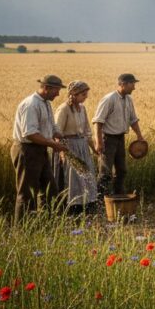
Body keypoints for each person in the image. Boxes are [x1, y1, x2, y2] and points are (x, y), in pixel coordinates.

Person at [11, 75, 69, 221]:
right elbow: (30, 133)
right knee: (27, 194)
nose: (58, 94)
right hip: (27, 150)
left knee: (50, 190)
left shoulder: (46, 103)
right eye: (56, 90)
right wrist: (53, 144)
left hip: (40, 149)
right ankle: (22, 230)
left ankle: (46, 224)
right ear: (46, 88)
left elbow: (51, 126)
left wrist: (58, 135)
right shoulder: (31, 104)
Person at [92, 73, 145, 195]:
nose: (134, 87)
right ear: (123, 84)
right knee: (105, 173)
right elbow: (98, 122)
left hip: (120, 138)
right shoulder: (109, 99)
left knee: (121, 171)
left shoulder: (129, 99)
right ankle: (100, 201)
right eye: (132, 84)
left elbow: (133, 120)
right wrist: (99, 143)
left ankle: (119, 196)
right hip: (107, 140)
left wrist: (140, 136)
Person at [54, 81, 99, 214]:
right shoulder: (63, 109)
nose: (86, 97)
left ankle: (87, 205)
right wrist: (63, 152)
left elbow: (87, 131)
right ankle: (73, 208)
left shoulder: (82, 108)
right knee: (73, 178)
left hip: (82, 146)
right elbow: (57, 132)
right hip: (69, 146)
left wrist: (94, 148)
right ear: (74, 94)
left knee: (86, 175)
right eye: (83, 94)